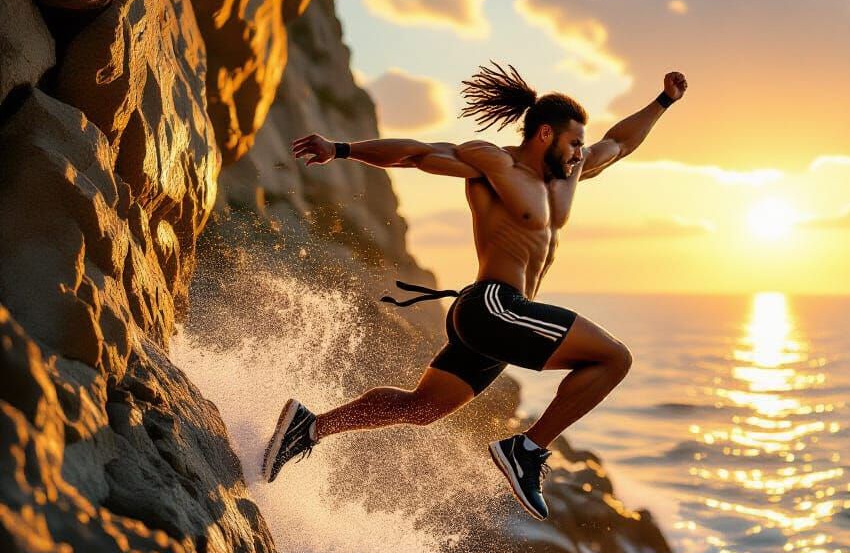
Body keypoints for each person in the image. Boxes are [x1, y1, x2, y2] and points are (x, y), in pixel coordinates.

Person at [262, 61, 687, 519]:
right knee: (614, 358)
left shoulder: (568, 176)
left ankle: (309, 427)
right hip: (493, 305)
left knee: (423, 408)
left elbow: (619, 144)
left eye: (582, 144)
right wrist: (341, 149)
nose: (579, 152)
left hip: (500, 320)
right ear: (545, 134)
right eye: (573, 142)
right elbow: (417, 154)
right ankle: (527, 451)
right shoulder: (496, 164)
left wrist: (663, 101)